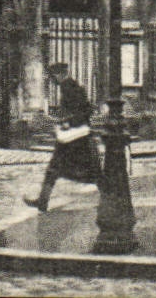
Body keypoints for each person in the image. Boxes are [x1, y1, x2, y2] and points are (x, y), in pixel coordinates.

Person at [25, 63, 101, 211]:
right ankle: (42, 201)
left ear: (59, 74)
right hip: (76, 135)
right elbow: (85, 109)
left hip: (74, 136)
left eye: (53, 76)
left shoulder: (69, 88)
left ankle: (110, 196)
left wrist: (65, 122)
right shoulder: (72, 86)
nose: (53, 80)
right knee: (58, 167)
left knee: (88, 170)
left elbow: (80, 112)